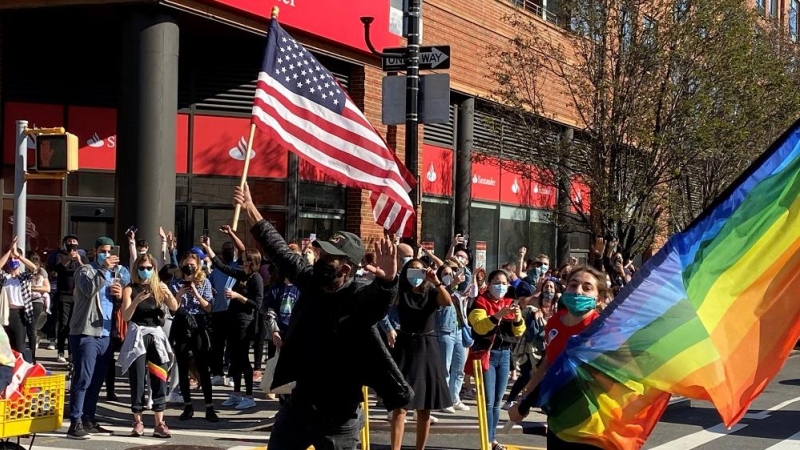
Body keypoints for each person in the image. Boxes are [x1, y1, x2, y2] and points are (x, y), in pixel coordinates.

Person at [233, 183, 411, 450]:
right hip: (300, 406)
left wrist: (388, 282)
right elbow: (280, 251)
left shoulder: (357, 297)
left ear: (346, 269)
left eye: (328, 259)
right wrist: (251, 210)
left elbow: (377, 302)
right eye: (321, 254)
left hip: (339, 418)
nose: (319, 260)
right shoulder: (311, 281)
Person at [509, 266, 607, 449]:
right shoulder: (554, 322)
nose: (578, 291)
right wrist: (525, 397)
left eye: (587, 288)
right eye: (573, 285)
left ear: (599, 298)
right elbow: (548, 363)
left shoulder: (601, 330)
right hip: (558, 414)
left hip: (590, 418)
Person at [67, 237, 130, 439]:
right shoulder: (85, 270)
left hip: (105, 333)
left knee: (97, 381)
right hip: (86, 332)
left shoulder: (115, 275)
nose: (107, 255)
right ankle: (75, 423)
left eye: (110, 251)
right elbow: (87, 290)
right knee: (83, 378)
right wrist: (102, 269)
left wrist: (119, 295)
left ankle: (88, 418)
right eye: (103, 251)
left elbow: (116, 302)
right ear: (95, 252)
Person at [118, 253, 178, 438]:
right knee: (137, 378)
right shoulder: (130, 289)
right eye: (142, 268)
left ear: (154, 270)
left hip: (156, 335)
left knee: (159, 377)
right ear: (136, 270)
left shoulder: (159, 287)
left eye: (149, 268)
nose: (145, 272)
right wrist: (137, 301)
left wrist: (167, 293)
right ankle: (137, 420)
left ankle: (160, 422)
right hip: (138, 334)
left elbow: (175, 307)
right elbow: (126, 316)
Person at [468, 269, 526, 450]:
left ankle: (491, 439)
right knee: (488, 400)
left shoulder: (509, 303)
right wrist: (498, 315)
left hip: (504, 354)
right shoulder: (480, 302)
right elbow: (479, 327)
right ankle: (486, 440)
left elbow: (519, 331)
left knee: (497, 402)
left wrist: (517, 317)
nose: (501, 286)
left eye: (504, 283)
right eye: (497, 282)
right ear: (490, 283)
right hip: (487, 354)